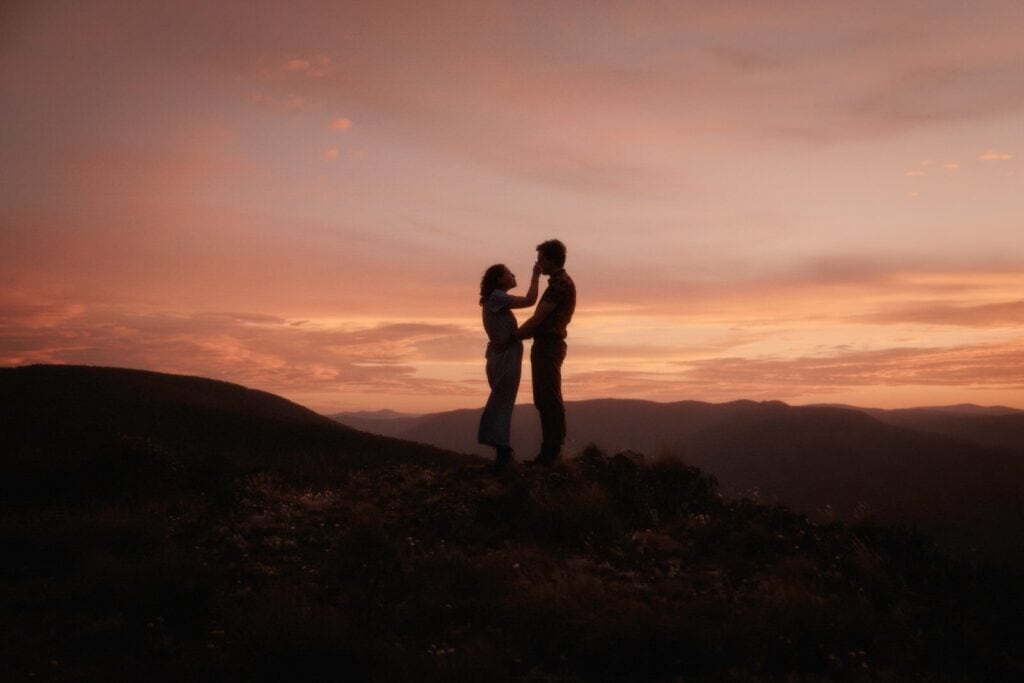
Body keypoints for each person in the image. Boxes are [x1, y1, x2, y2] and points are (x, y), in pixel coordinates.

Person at [510, 239, 576, 465]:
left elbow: (540, 317)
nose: (538, 264)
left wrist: (514, 336)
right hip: (548, 344)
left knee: (548, 396)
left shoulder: (559, 284)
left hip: (549, 345)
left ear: (550, 259)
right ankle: (550, 450)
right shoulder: (560, 283)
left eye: (540, 259)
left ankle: (551, 451)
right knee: (545, 396)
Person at [477, 261, 541, 468]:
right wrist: (535, 275)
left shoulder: (494, 299)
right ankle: (502, 449)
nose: (513, 275)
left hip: (498, 354)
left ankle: (501, 449)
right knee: (503, 401)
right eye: (509, 274)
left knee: (501, 399)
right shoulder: (496, 297)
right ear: (498, 279)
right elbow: (530, 300)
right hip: (505, 355)